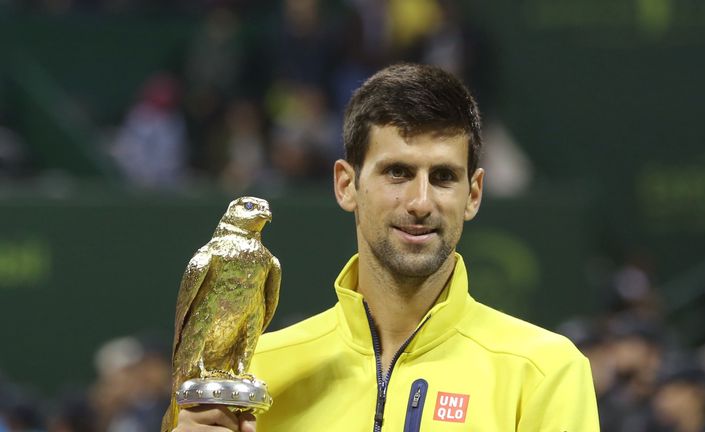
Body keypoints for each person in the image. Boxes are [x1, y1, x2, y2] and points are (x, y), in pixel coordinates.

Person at [174, 63, 598, 431]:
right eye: (397, 172)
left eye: (444, 177)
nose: (420, 202)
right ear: (346, 184)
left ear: (473, 194)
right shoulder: (255, 374)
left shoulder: (544, 372)